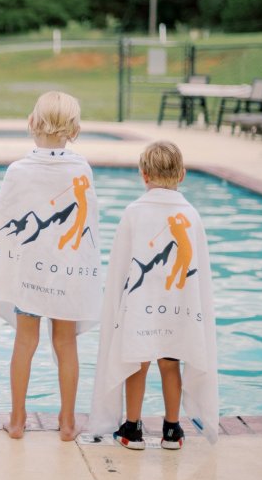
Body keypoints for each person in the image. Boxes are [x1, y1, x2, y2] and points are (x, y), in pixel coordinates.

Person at [0, 91, 102, 441]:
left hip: (28, 274)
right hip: (67, 272)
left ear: (32, 123)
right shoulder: (81, 168)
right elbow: (86, 227)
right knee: (66, 344)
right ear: (74, 130)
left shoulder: (19, 170)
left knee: (24, 342)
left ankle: (16, 420)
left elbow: (4, 224)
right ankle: (67, 422)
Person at [88, 141, 218, 450]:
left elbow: (122, 269)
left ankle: (132, 430)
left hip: (140, 308)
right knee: (170, 363)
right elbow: (198, 275)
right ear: (182, 175)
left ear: (144, 175)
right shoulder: (192, 214)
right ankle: (172, 429)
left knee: (138, 363)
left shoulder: (134, 212)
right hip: (177, 308)